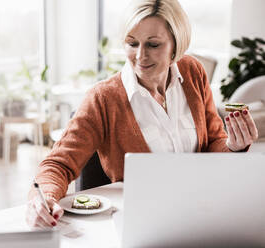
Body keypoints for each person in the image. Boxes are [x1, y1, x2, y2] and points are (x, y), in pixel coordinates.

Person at [26, 0, 259, 228]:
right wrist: (43, 197)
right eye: (132, 43)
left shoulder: (193, 72)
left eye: (153, 44)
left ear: (176, 45)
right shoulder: (103, 98)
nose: (140, 56)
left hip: (200, 209)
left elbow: (214, 141)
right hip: (143, 222)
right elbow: (58, 164)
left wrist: (233, 145)